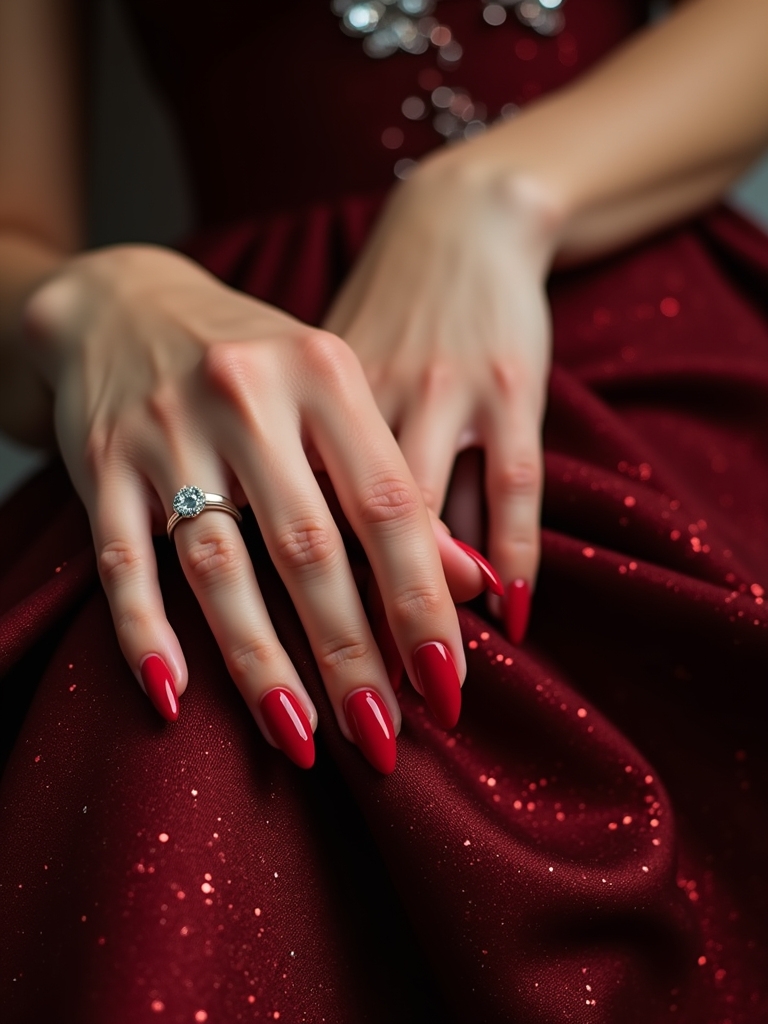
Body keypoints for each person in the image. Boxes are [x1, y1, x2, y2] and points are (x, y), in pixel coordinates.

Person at [1, 0, 767, 1020]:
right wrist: (92, 298)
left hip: (640, 310)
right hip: (219, 369)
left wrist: (495, 195)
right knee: (172, 734)